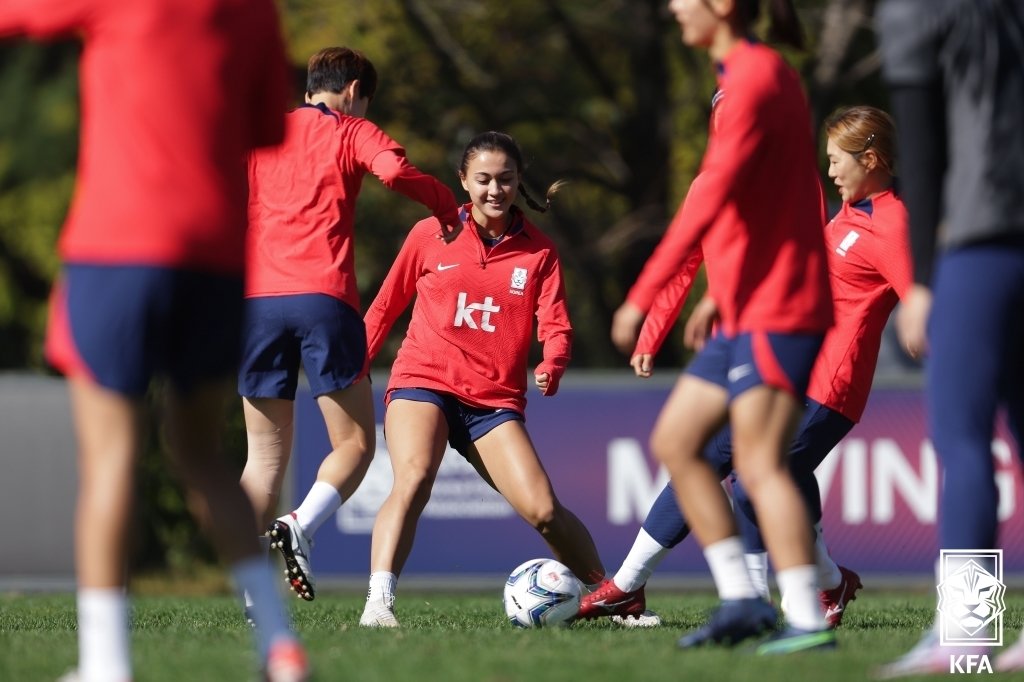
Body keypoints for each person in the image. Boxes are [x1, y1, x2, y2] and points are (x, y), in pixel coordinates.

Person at [0, 2, 309, 681]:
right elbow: (264, 131)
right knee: (201, 457)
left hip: (117, 248)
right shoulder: (256, 10)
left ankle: (106, 666)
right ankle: (279, 648)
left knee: (111, 462)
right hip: (217, 258)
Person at [583, 106, 911, 636]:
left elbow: (920, 296)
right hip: (788, 365)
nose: (829, 172)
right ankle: (630, 584)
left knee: (753, 478)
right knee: (714, 456)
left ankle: (761, 603)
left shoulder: (891, 221)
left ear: (870, 159)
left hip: (830, 385)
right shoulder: (848, 213)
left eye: (836, 161)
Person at [609, 0, 835, 654]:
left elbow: (713, 195)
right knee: (678, 444)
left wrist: (643, 298)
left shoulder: (755, 79)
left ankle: (806, 620)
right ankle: (742, 601)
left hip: (780, 306)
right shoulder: (744, 77)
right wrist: (718, 293)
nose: (674, 6)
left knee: (761, 467)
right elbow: (764, 203)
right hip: (745, 306)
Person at [357, 131, 606, 627]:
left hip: (492, 401)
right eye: (484, 179)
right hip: (423, 380)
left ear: (519, 182)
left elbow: (555, 324)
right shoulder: (429, 234)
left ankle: (613, 598)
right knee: (413, 477)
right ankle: (378, 604)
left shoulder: (540, 252)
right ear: (463, 183)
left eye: (506, 180)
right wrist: (355, 362)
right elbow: (385, 305)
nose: (496, 190)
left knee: (544, 511)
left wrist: (552, 361)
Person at [240, 46, 460, 604]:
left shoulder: (263, 132)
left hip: (256, 302)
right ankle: (302, 525)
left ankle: (248, 588)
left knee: (262, 458)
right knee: (357, 442)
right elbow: (393, 171)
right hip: (324, 299)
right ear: (355, 88)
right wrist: (445, 206)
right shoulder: (350, 130)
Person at [875, 0, 1024, 676]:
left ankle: (968, 636)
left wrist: (925, 281)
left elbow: (926, 150)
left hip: (982, 243)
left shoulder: (917, 11)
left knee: (963, 442)